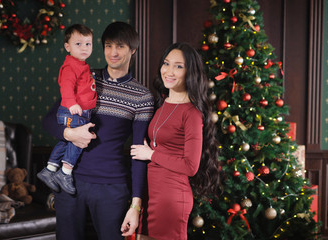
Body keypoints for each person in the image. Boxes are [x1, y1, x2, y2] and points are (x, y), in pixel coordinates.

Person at [42, 21, 154, 240]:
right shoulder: (85, 76)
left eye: (120, 46)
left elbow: (139, 153)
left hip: (111, 188)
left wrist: (136, 204)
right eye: (108, 45)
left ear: (132, 50)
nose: (113, 52)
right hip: (69, 181)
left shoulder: (142, 96)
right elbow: (48, 121)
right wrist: (70, 134)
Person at [130, 42, 220, 240]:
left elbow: (190, 166)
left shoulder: (192, 113)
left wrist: (151, 154)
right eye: (166, 63)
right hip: (150, 195)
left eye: (178, 66)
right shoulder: (161, 104)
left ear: (191, 72)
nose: (169, 71)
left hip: (171, 198)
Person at [37, 24, 97, 195]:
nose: (84, 48)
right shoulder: (71, 66)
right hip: (73, 110)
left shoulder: (81, 65)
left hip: (78, 111)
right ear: (67, 47)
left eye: (88, 44)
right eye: (78, 44)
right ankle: (65, 173)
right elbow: (66, 86)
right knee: (78, 140)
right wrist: (72, 104)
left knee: (66, 141)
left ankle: (49, 169)